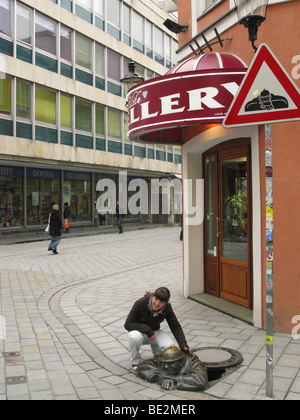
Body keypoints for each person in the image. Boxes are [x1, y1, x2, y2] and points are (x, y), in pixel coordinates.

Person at [124, 287, 189, 369]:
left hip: (154, 333)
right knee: (134, 337)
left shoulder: (167, 308)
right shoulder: (140, 303)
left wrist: (183, 344)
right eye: (156, 299)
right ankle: (135, 361)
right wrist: (147, 330)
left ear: (165, 303)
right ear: (153, 296)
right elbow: (128, 324)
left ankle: (158, 356)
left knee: (169, 347)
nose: (157, 303)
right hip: (138, 332)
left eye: (161, 302)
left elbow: (175, 326)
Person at [136, 346, 208, 391]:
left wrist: (174, 378)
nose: (166, 366)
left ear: (180, 363)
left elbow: (200, 381)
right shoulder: (164, 359)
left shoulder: (194, 363)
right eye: (165, 363)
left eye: (170, 364)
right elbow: (142, 366)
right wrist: (161, 377)